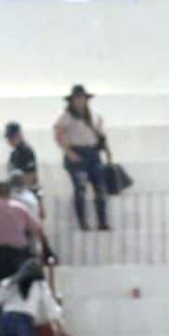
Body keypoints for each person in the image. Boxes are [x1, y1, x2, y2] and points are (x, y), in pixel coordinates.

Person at [54, 84, 111, 231]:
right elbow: (59, 134)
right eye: (77, 98)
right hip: (76, 153)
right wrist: (69, 153)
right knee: (80, 188)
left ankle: (102, 221)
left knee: (100, 188)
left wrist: (107, 152)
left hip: (92, 153)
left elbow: (101, 135)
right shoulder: (66, 117)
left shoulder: (93, 116)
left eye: (82, 98)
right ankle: (83, 222)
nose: (79, 101)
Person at [4, 121, 38, 189]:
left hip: (26, 190)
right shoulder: (14, 153)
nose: (9, 141)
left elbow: (31, 176)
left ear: (19, 135)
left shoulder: (26, 152)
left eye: (12, 137)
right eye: (8, 138)